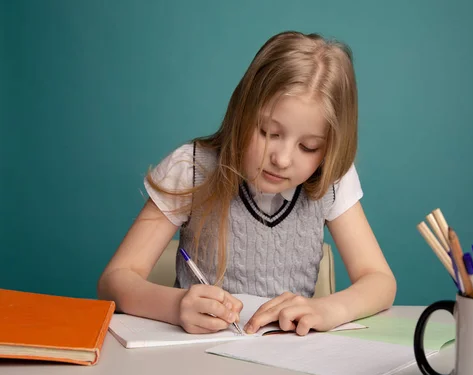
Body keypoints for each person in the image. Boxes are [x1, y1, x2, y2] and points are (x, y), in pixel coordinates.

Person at [97, 30, 396, 337]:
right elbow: (114, 280)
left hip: (290, 365)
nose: (281, 159)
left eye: (308, 147)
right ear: (242, 111)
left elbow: (380, 281)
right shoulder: (192, 167)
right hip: (196, 364)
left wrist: (329, 309)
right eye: (268, 132)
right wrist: (176, 306)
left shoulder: (330, 178)